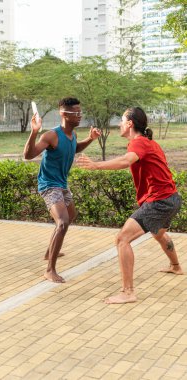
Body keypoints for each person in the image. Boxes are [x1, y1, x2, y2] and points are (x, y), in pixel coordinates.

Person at [77, 107, 183, 304]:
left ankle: (128, 292)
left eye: (122, 120)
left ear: (130, 124)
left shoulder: (139, 143)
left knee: (122, 239)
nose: (119, 124)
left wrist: (96, 165)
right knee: (158, 233)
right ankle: (176, 266)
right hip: (171, 199)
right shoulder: (148, 143)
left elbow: (127, 160)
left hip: (160, 201)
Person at [23, 97, 101, 283]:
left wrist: (90, 139)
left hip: (61, 184)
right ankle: (50, 270)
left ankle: (50, 251)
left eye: (80, 112)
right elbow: (28, 155)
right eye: (76, 113)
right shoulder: (51, 135)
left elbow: (74, 148)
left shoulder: (71, 135)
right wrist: (34, 132)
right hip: (49, 184)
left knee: (70, 215)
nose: (80, 116)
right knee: (63, 222)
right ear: (64, 114)